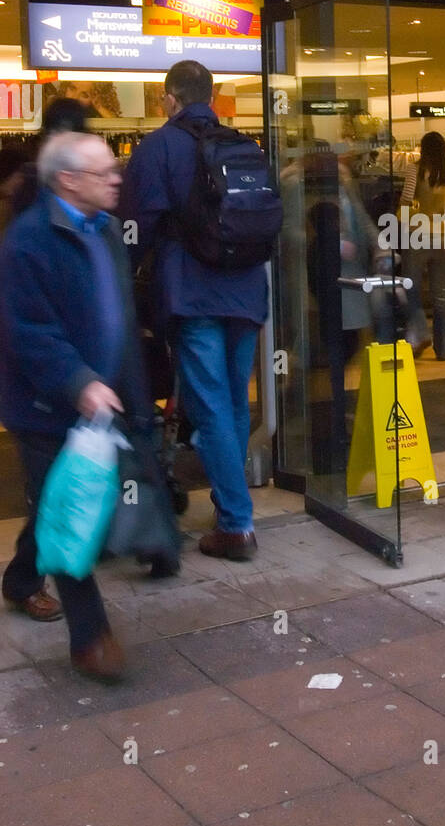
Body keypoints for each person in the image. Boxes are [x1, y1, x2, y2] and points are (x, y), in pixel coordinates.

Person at [0, 132, 149, 681]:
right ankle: (91, 639)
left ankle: (18, 580)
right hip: (45, 407)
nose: (117, 179)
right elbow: (29, 331)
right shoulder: (27, 241)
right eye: (105, 172)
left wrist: (138, 395)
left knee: (52, 503)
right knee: (70, 513)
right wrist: (79, 381)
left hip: (101, 404)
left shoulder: (107, 230)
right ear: (66, 180)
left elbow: (121, 317)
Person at [118, 61, 267, 561]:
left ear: (169, 99)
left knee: (210, 405)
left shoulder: (157, 148)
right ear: (213, 94)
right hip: (246, 290)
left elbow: (134, 229)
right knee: (233, 401)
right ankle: (234, 503)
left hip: (192, 294)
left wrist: (124, 285)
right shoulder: (244, 144)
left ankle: (237, 524)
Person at [401, 131, 445, 361]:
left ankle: (421, 332)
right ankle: (444, 349)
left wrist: (407, 217)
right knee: (440, 294)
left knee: (411, 289)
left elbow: (407, 198)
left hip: (418, 235)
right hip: (444, 237)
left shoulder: (414, 169)